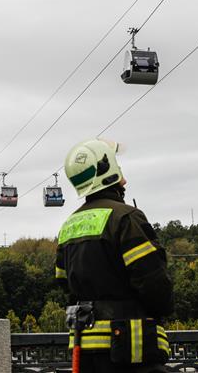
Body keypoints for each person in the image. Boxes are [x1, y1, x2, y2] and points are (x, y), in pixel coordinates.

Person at [54, 138, 173, 373]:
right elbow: (154, 284)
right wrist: (162, 309)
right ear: (107, 171)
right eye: (119, 170)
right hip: (130, 349)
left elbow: (63, 283)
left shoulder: (68, 227)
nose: (124, 179)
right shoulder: (126, 218)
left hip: (84, 351)